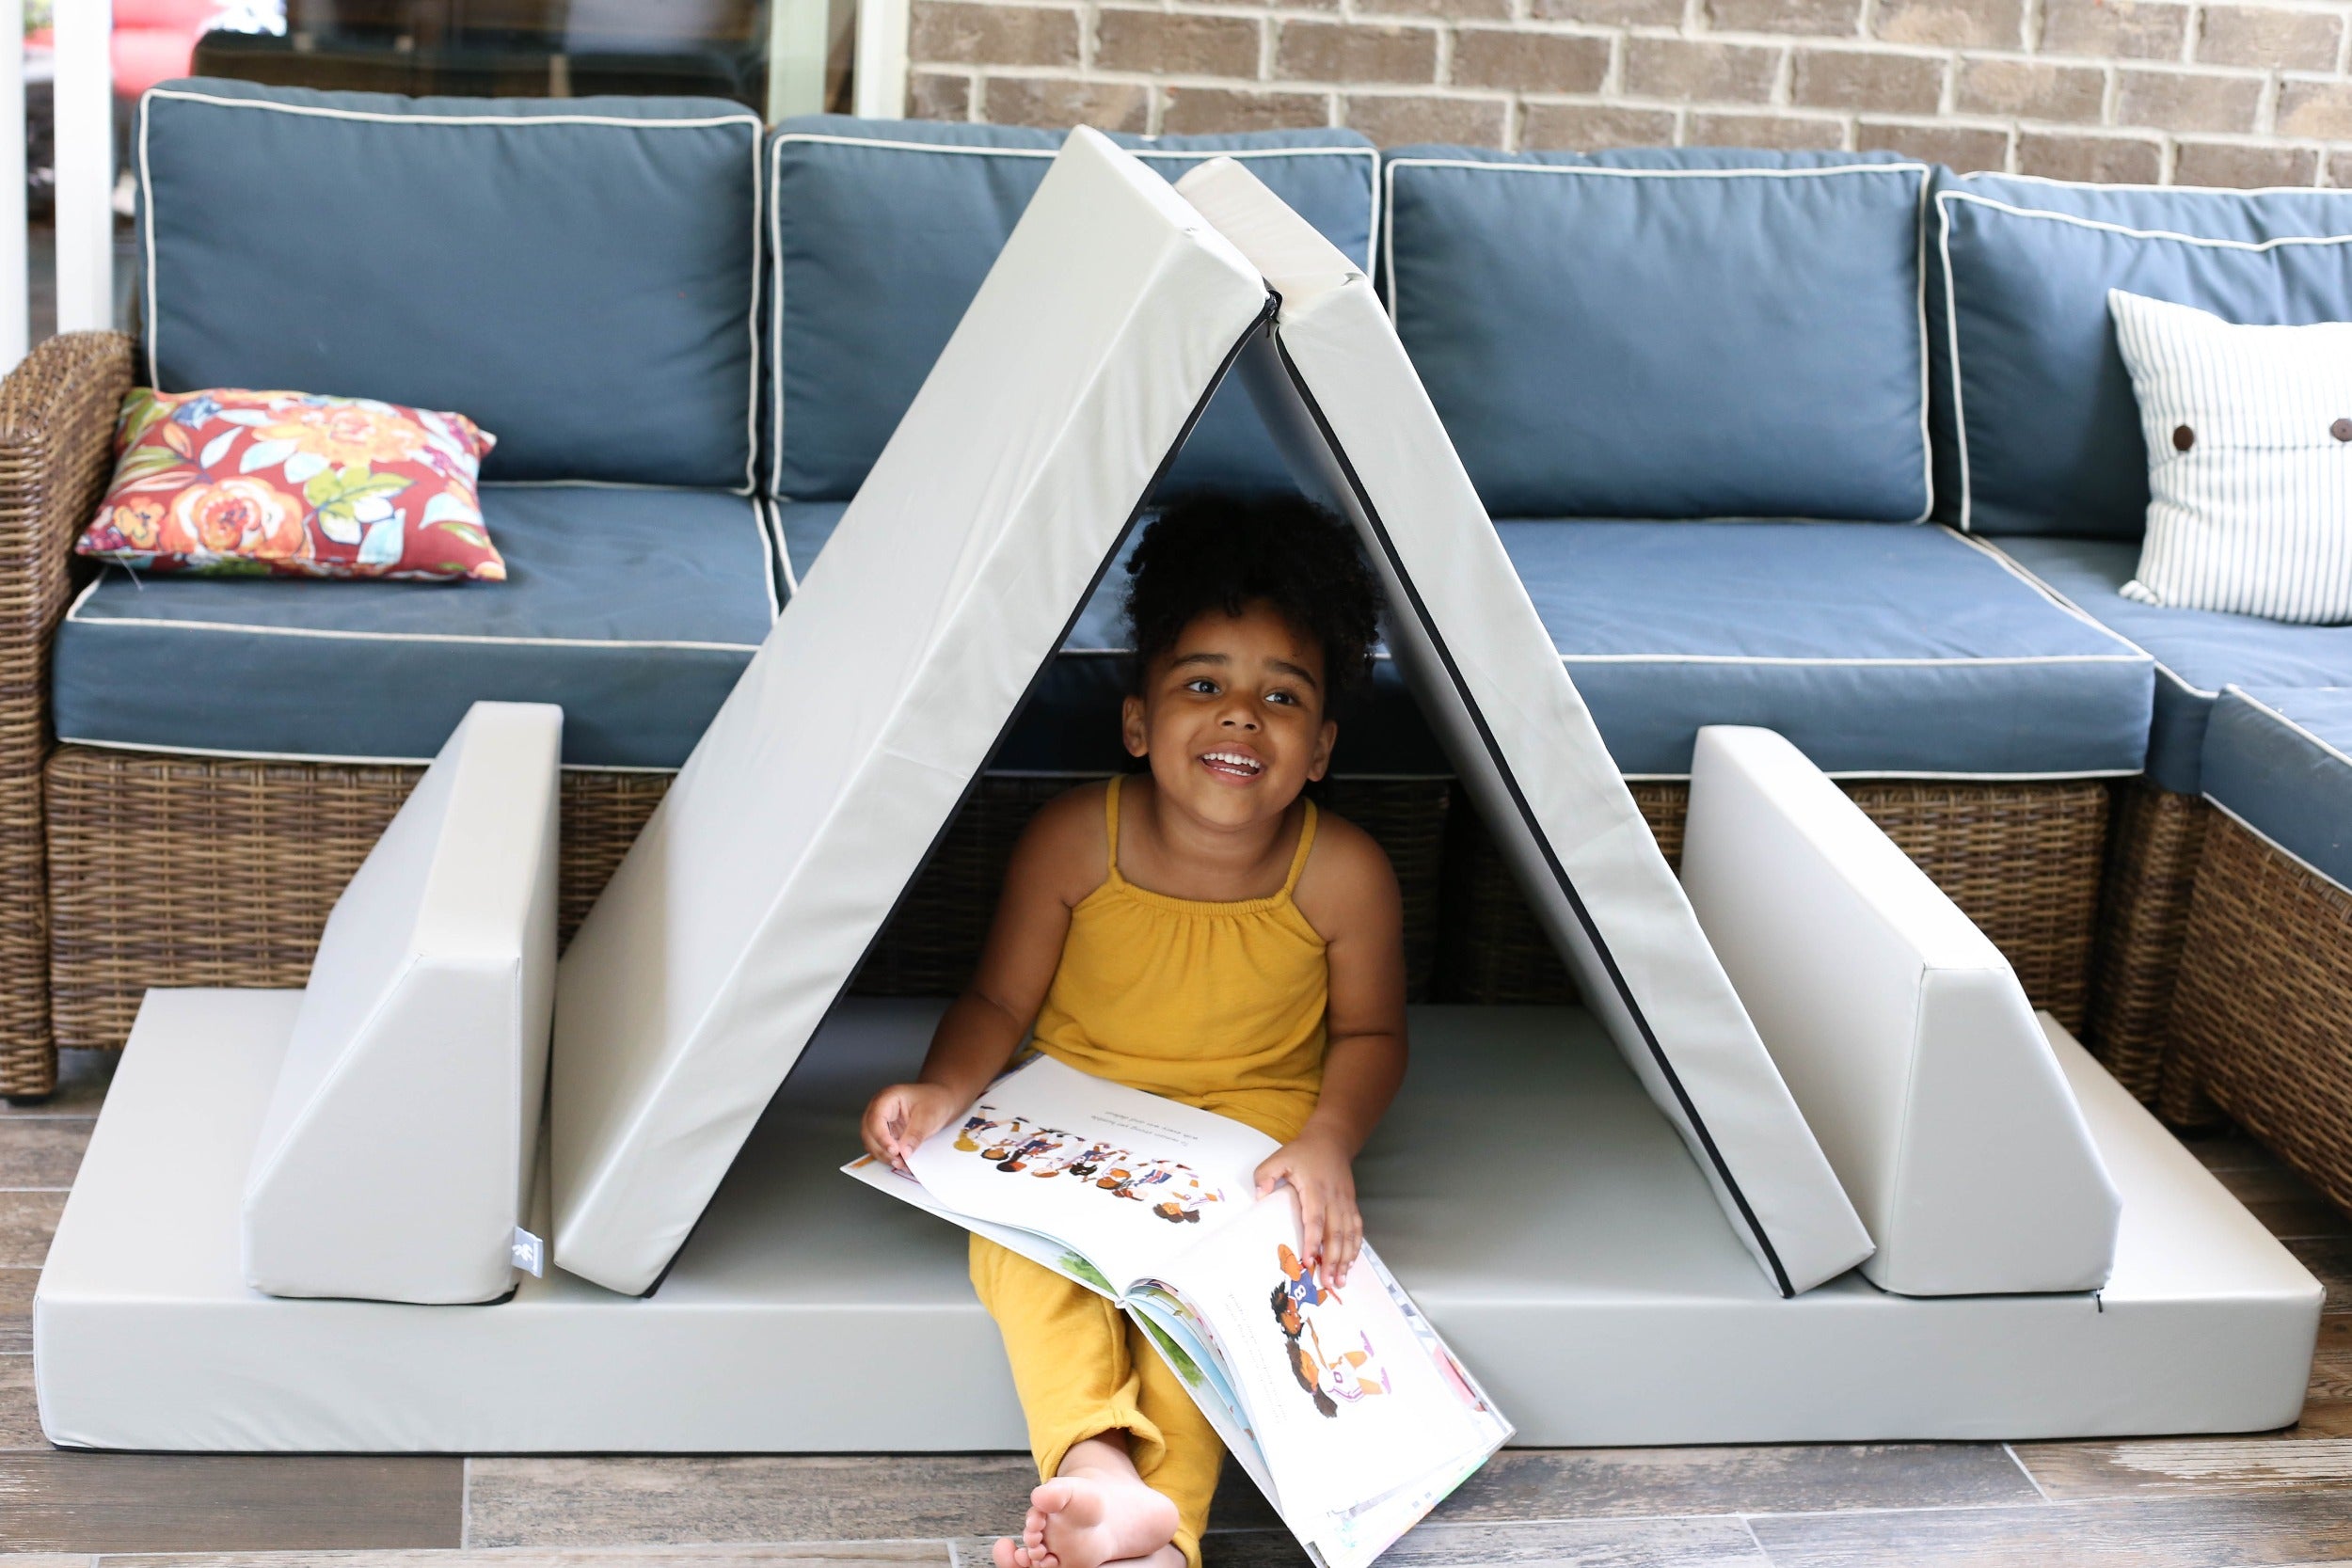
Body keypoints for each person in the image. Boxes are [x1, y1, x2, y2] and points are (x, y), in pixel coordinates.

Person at [859, 493, 1409, 1568]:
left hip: (1246, 1130)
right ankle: (1100, 1466)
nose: (1240, 715)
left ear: (1320, 748)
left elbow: (1373, 1034)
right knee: (1026, 1259)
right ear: (1139, 722)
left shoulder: (1343, 871)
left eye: (1280, 696)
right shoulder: (1074, 839)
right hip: (1070, 1109)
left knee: (1218, 1296)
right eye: (1203, 683)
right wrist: (943, 1091)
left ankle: (1163, 1532)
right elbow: (996, 1004)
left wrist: (1328, 1139)